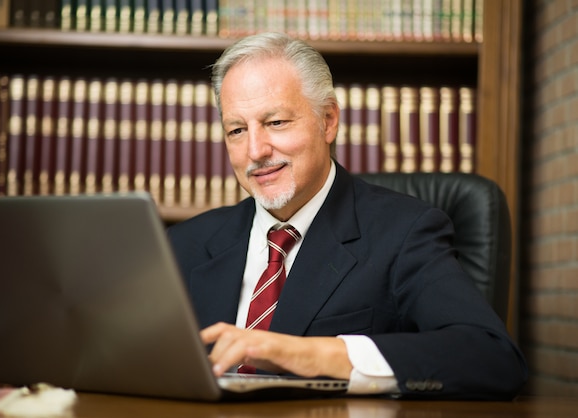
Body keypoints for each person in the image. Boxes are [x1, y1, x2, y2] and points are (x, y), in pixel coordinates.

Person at [167, 32, 527, 399]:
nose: (255, 150)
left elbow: (492, 357)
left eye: (275, 123)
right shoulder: (181, 245)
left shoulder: (405, 232)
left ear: (328, 121)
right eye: (237, 130)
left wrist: (314, 353)